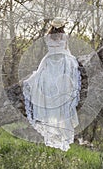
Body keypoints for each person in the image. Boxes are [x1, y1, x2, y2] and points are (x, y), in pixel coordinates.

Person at [23, 17, 81, 151]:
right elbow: (67, 51)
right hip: (63, 60)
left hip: (49, 60)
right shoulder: (64, 37)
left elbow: (50, 50)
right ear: (62, 27)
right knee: (67, 80)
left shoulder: (47, 37)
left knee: (44, 80)